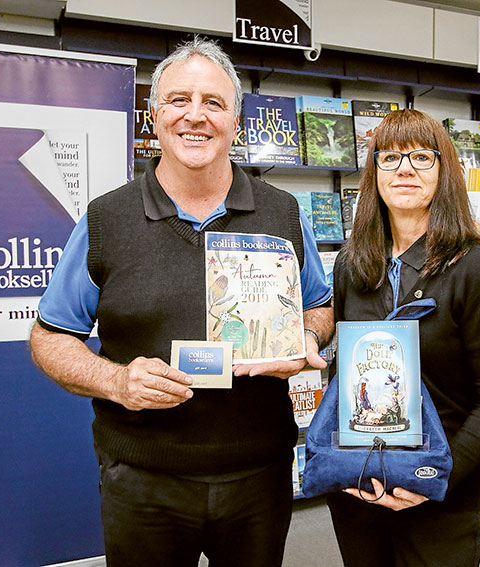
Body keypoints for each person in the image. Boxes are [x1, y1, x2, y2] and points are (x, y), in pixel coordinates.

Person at [29, 36, 333, 567]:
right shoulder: (105, 219)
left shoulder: (284, 213)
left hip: (258, 477)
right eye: (178, 100)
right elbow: (50, 337)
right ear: (154, 116)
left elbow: (320, 305)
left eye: (214, 103)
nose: (196, 116)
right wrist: (117, 381)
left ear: (236, 121)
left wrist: (305, 335)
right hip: (143, 482)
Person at [326, 109, 480, 567]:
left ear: (444, 170)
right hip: (361, 492)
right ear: (373, 174)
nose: (404, 169)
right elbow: (344, 382)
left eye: (420, 157)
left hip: (440, 499)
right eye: (388, 158)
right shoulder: (351, 266)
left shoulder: (473, 270)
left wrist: (434, 477)